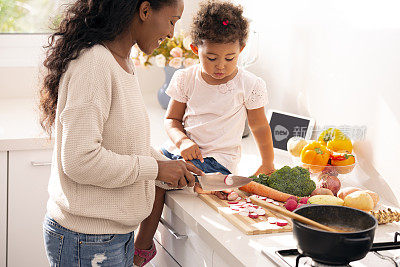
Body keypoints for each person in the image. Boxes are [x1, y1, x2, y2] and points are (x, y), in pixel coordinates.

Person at [39, 0, 203, 266]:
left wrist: (167, 164)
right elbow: (81, 161)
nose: (173, 33)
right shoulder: (94, 64)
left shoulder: (122, 61)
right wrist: (156, 169)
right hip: (87, 240)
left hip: (108, 236)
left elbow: (124, 144)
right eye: (172, 21)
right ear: (145, 10)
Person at [133, 0, 276, 265]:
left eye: (230, 58)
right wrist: (183, 140)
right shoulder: (186, 78)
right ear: (195, 49)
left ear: (241, 50)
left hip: (216, 161)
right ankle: (135, 241)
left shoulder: (249, 84)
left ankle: (141, 247)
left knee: (157, 180)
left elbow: (259, 125)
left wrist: (267, 163)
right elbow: (172, 120)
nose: (220, 65)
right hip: (180, 151)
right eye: (211, 58)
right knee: (143, 166)